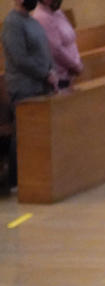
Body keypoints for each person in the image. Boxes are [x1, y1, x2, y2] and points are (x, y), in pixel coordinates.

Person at [1, 0, 56, 189]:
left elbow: (44, 51)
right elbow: (20, 59)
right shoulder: (12, 23)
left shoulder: (32, 22)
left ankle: (39, 176)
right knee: (23, 134)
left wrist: (52, 71)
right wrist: (45, 73)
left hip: (41, 85)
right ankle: (16, 179)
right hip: (24, 88)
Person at [33, 0, 82, 89]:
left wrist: (77, 61)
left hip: (71, 73)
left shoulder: (57, 12)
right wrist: (75, 66)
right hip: (59, 77)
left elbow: (71, 39)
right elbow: (55, 50)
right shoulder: (41, 17)